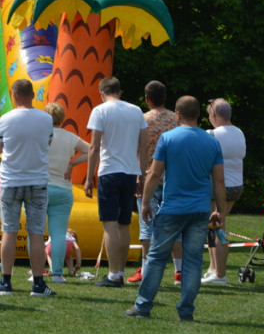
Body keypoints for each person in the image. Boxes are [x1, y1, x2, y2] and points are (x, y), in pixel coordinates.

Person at [125, 96, 225, 321]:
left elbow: (154, 174)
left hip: (172, 208)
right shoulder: (212, 142)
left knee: (156, 258)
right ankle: (186, 311)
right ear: (199, 114)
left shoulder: (168, 138)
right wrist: (220, 211)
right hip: (200, 210)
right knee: (193, 261)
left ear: (177, 115)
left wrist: (145, 202)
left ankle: (143, 307)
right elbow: (219, 181)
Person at [0, 79, 55, 297]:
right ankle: (38, 284)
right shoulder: (46, 119)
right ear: (33, 94)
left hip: (11, 182)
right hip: (37, 182)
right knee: (36, 234)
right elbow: (48, 143)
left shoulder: (5, 119)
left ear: (14, 95)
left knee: (9, 231)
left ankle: (5, 282)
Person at [84, 77, 147, 288]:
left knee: (109, 223)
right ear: (120, 91)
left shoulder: (100, 111)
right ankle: (119, 270)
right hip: (130, 172)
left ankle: (114, 274)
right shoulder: (136, 110)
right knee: (124, 224)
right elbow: (143, 146)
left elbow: (94, 147)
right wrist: (142, 175)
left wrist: (88, 178)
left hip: (109, 171)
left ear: (102, 92)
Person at [128, 81, 180, 285]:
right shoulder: (176, 120)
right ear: (165, 97)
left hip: (147, 177)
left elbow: (137, 149)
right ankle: (180, 270)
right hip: (172, 179)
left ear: (147, 99)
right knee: (175, 225)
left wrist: (137, 176)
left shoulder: (142, 120)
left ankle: (146, 268)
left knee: (146, 225)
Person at [44, 102, 89, 283]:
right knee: (59, 233)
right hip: (63, 189)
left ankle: (37, 273)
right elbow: (92, 150)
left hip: (41, 187)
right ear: (62, 118)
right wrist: (72, 163)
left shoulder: (41, 136)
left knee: (36, 231)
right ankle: (57, 274)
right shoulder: (70, 137)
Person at [203, 98, 247, 285]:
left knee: (216, 228)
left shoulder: (212, 134)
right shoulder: (239, 132)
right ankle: (213, 269)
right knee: (215, 228)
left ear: (213, 116)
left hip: (219, 187)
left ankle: (219, 274)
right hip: (236, 186)